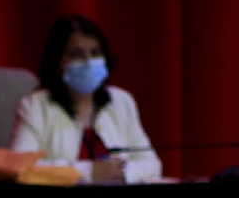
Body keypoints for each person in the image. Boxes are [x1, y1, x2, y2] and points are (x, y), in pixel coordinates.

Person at [9, 15, 161, 184]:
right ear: (57, 61)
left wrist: (123, 172)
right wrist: (88, 171)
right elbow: (20, 169)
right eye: (76, 54)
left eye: (95, 53)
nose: (89, 62)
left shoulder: (121, 101)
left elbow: (152, 165)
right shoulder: (34, 106)